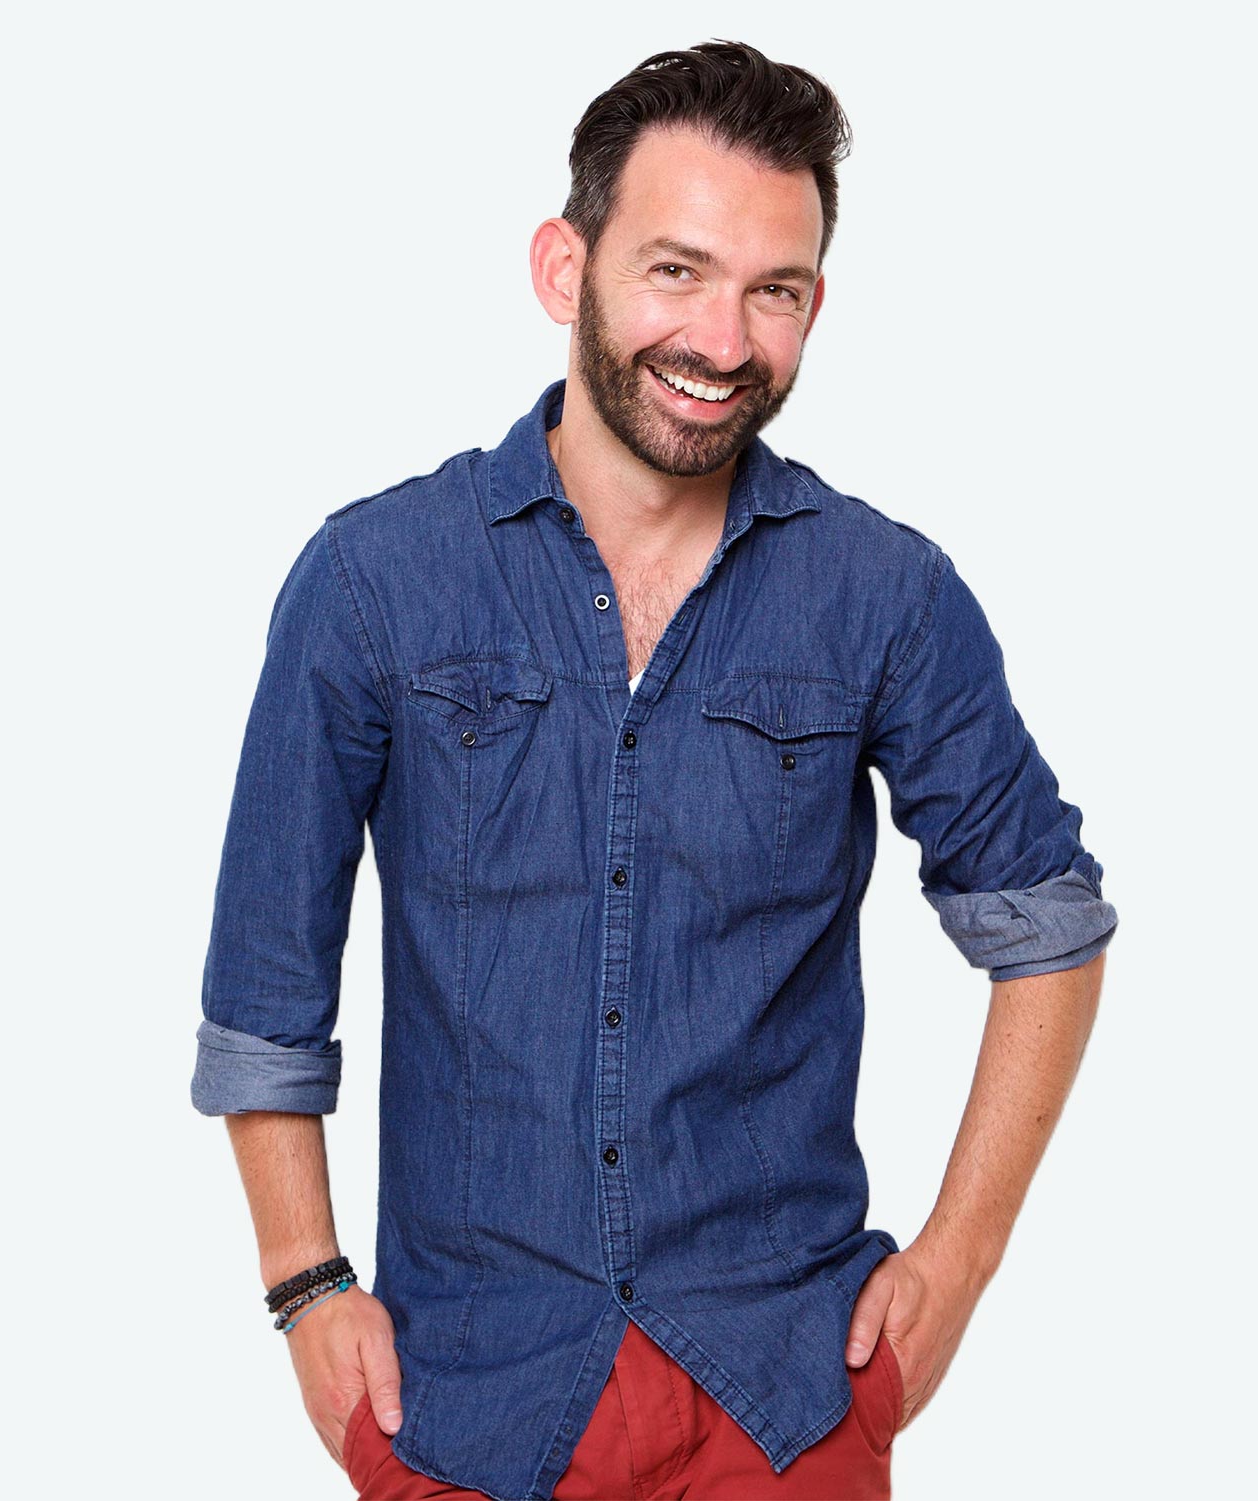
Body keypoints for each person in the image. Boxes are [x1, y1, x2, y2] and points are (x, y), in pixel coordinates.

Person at [190, 37, 1118, 1501]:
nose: (724, 340)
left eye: (776, 290)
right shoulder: (374, 579)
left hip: (783, 1393)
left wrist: (958, 1262)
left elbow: (1048, 924)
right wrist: (305, 1285)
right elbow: (265, 983)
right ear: (564, 267)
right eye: (676, 271)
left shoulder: (884, 594)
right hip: (469, 1397)